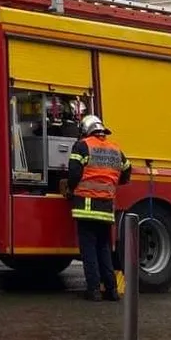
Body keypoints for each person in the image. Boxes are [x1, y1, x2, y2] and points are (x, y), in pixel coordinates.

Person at [67, 114, 131, 302]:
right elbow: (127, 171)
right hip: (106, 209)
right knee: (104, 249)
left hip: (86, 208)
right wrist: (111, 182)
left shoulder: (82, 145)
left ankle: (94, 290)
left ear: (86, 130)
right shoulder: (115, 149)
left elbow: (74, 173)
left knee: (89, 251)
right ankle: (111, 290)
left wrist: (71, 189)